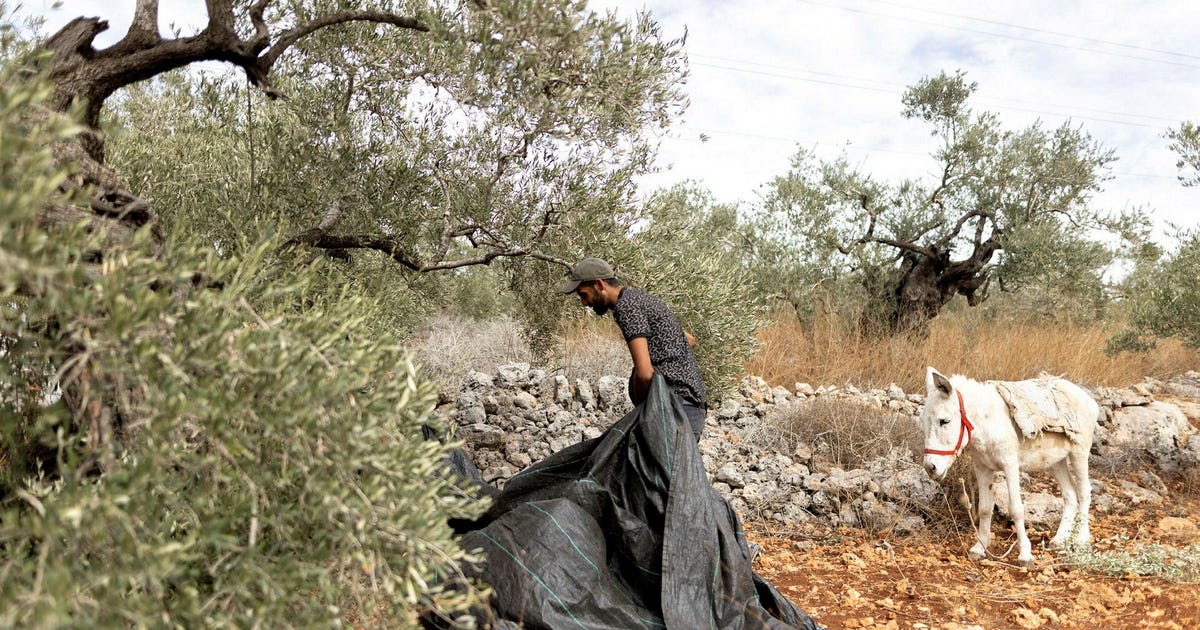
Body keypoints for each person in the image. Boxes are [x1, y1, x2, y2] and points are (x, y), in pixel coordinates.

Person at [561, 257, 708, 441]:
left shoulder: (626, 307)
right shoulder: (639, 299)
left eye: (583, 294)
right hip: (690, 406)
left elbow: (645, 373)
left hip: (675, 409)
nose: (584, 303)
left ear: (599, 285)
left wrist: (641, 411)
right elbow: (689, 339)